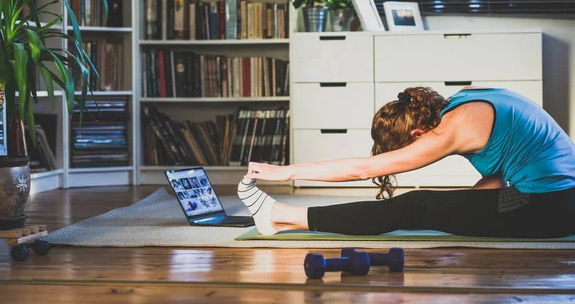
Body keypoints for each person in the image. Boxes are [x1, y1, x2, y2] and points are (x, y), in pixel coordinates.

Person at [237, 87, 575, 237]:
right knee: (439, 205)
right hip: (561, 199)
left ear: (416, 132)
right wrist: (462, 208)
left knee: (414, 206)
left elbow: (363, 169)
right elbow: (498, 175)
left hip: (547, 207)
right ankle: (283, 219)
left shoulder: (450, 130)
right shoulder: (468, 96)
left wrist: (287, 171)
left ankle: (279, 216)